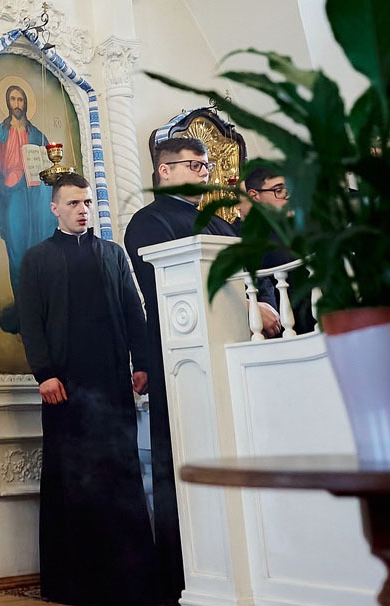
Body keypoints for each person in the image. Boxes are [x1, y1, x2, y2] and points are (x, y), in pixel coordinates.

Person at [18, 172, 156, 606]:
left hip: (112, 384)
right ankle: (73, 584)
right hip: (65, 388)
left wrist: (142, 363)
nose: (83, 210)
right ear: (55, 208)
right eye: (74, 203)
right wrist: (44, 374)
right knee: (72, 479)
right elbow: (30, 322)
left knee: (120, 474)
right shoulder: (36, 259)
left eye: (88, 203)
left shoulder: (113, 254)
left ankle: (129, 580)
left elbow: (134, 312)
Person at [123, 136, 236, 605]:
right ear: (164, 171)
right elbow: (173, 289)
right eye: (194, 164)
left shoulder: (220, 223)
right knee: (186, 465)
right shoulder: (150, 222)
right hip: (182, 359)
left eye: (206, 165)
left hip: (230, 353)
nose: (204, 172)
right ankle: (183, 575)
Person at [0, 84, 56, 327]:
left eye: (20, 99)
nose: (17, 104)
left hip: (36, 197)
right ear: (8, 102)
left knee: (39, 249)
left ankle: (43, 307)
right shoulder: (0, 132)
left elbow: (49, 169)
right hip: (12, 194)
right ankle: (23, 309)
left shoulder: (38, 135)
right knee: (17, 251)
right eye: (13, 99)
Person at [244, 166, 315, 334]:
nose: (287, 196)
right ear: (255, 196)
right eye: (278, 190)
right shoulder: (250, 237)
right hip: (286, 326)